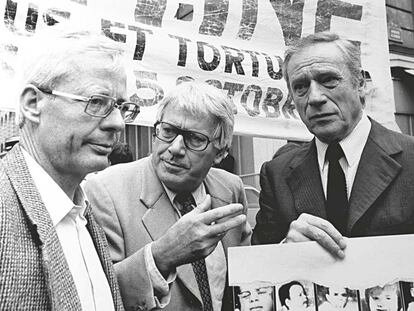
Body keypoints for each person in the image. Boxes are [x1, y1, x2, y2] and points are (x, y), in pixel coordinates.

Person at [0, 26, 140, 310]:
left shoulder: (82, 213)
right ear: (32, 103)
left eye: (121, 106)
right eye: (97, 102)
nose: (117, 123)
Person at [83, 81, 251, 311]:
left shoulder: (230, 188)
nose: (175, 148)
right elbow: (92, 294)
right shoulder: (105, 191)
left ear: (220, 152)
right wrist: (161, 256)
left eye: (194, 139)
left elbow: (244, 278)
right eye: (168, 131)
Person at [252, 32, 414, 258]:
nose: (315, 97)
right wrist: (284, 251)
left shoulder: (410, 158)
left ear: (360, 84)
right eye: (301, 87)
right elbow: (258, 271)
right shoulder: (276, 174)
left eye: (328, 80)